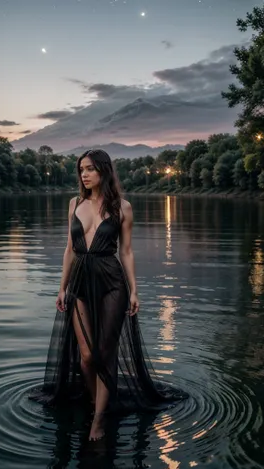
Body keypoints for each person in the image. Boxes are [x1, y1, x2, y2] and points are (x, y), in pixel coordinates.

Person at [29, 149, 187, 441]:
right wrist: (61, 287)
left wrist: (134, 289)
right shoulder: (74, 204)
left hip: (112, 282)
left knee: (105, 352)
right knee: (87, 357)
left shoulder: (122, 207)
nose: (84, 175)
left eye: (89, 169)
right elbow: (69, 249)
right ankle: (97, 400)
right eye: (81, 170)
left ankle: (99, 420)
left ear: (103, 170)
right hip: (78, 282)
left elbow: (125, 251)